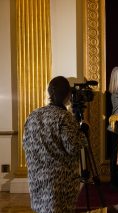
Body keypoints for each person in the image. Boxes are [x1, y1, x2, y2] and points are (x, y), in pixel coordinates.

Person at [23, 76, 88, 213]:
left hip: (37, 180)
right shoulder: (64, 117)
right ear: (68, 95)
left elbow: (26, 144)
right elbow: (73, 148)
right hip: (60, 185)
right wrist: (82, 134)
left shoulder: (33, 115)